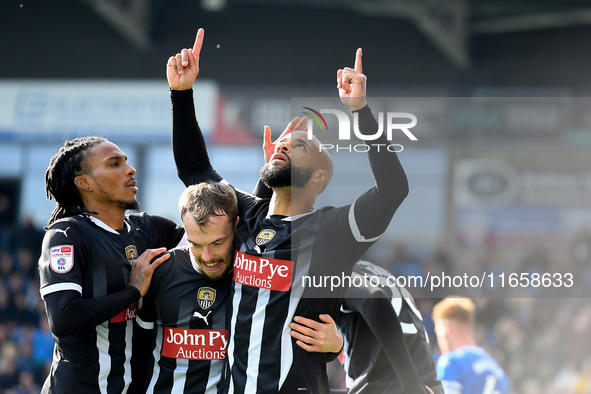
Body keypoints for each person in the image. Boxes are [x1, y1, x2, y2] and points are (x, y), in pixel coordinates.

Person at [168, 28, 409, 393]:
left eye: (298, 146)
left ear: (320, 175)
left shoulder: (334, 229)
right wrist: (182, 94)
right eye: (281, 143)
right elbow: (194, 171)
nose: (282, 146)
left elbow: (393, 190)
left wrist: (360, 112)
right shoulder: (246, 215)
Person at [134, 182, 344, 394]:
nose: (207, 257)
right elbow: (139, 350)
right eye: (195, 244)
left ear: (236, 227)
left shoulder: (253, 275)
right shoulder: (161, 271)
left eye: (217, 243)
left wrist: (335, 345)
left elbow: (286, 340)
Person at [38, 136, 186, 393]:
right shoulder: (67, 235)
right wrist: (132, 292)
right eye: (114, 164)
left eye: (126, 161)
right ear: (84, 183)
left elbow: (217, 237)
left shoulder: (150, 229)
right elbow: (64, 317)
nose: (130, 170)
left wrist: (270, 184)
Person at [336, 261, 442, 394]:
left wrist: (413, 387)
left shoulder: (334, 275)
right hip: (428, 386)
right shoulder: (378, 273)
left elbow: (374, 300)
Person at [432, 297, 510, 394]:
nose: (439, 342)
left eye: (438, 334)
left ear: (447, 327)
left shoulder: (451, 362)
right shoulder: (497, 370)